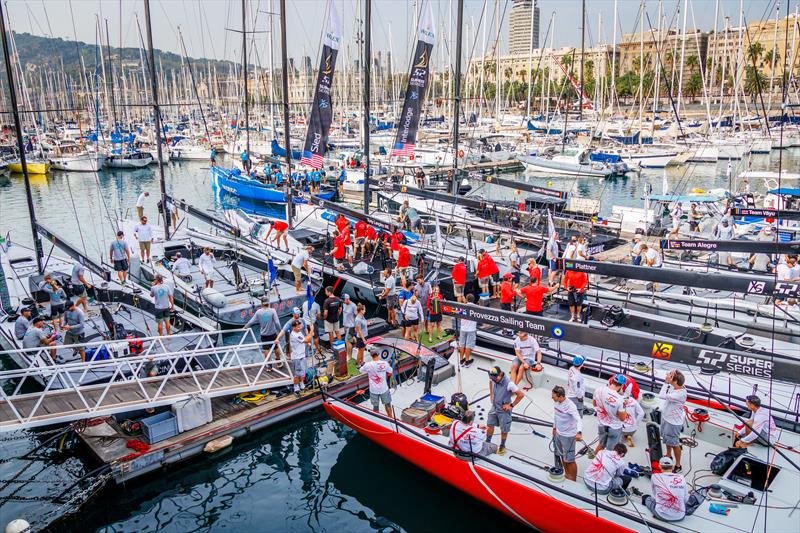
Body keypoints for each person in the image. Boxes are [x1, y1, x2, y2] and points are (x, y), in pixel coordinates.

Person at [486, 366, 524, 455]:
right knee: (490, 425)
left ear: (500, 375)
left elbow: (521, 395)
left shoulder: (509, 384)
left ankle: (502, 445)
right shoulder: (493, 379)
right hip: (494, 407)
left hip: (504, 411)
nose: (494, 379)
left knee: (504, 429)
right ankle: (487, 442)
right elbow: (491, 383)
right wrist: (491, 396)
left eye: (495, 378)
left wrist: (511, 405)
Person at [643, 456, 690, 522]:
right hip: (681, 516)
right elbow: (686, 499)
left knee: (647, 498)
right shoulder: (681, 477)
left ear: (659, 466)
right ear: (673, 467)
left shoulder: (654, 476)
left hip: (662, 515)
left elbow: (654, 496)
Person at [552, 385, 583, 481]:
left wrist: (579, 432)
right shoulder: (556, 403)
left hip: (568, 436)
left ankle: (573, 478)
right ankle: (567, 474)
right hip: (558, 434)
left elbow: (579, 419)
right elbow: (555, 416)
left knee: (570, 459)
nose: (552, 397)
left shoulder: (570, 406)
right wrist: (554, 428)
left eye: (553, 396)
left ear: (560, 396)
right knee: (561, 455)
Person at [659, 370, 687, 472]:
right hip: (667, 418)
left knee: (674, 443)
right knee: (667, 439)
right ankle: (668, 455)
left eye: (670, 376)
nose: (667, 376)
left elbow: (661, 395)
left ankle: (678, 465)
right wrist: (672, 375)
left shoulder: (679, 394)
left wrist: (666, 382)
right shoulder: (676, 386)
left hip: (673, 423)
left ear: (675, 381)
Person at [593, 374, 627, 453]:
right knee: (610, 451)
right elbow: (622, 418)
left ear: (612, 381)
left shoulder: (599, 390)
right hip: (614, 428)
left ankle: (595, 460)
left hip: (601, 425)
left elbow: (594, 404)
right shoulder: (620, 400)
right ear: (622, 385)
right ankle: (604, 463)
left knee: (601, 444)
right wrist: (625, 406)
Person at [360, 349, 394, 417]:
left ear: (371, 356)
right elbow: (390, 371)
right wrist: (388, 365)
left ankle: (377, 419)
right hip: (384, 389)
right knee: (387, 404)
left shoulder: (367, 364)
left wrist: (363, 365)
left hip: (373, 390)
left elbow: (361, 371)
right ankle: (391, 418)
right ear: (378, 354)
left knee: (375, 406)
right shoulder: (385, 363)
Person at [288, 320, 313, 395]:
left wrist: (307, 343)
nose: (299, 328)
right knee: (297, 374)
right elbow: (307, 339)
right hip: (297, 357)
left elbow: (304, 339)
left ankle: (302, 384)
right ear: (293, 327)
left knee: (303, 373)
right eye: (298, 327)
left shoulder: (299, 332)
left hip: (302, 355)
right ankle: (296, 387)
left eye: (300, 326)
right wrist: (311, 331)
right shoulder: (294, 335)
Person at [457, 294, 477, 367]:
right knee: (468, 346)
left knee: (462, 345)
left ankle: (461, 360)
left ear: (466, 299)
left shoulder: (462, 307)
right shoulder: (476, 307)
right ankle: (467, 361)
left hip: (463, 329)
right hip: (471, 329)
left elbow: (458, 317)